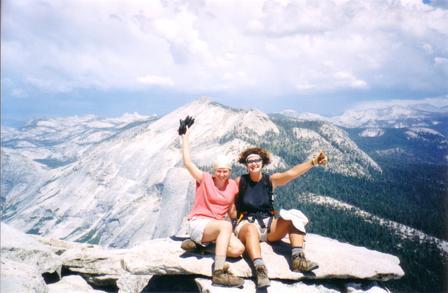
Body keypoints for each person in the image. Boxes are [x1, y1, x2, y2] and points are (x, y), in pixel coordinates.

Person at [233, 147, 328, 288]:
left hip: (269, 224)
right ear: (246, 164)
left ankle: (298, 259)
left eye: (257, 160)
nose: (253, 163)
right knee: (251, 229)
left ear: (262, 163)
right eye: (250, 161)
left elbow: (291, 173)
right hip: (247, 225)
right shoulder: (240, 181)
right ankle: (260, 270)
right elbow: (229, 202)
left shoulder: (270, 180)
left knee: (293, 216)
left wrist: (313, 162)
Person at [178, 116, 245, 288]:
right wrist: (185, 136)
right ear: (214, 171)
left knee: (238, 250)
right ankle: (218, 273)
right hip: (199, 223)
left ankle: (201, 247)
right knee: (225, 226)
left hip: (214, 229)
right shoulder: (204, 179)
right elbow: (187, 162)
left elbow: (232, 209)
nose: (222, 174)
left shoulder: (232, 186)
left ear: (230, 171)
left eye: (226, 171)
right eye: (219, 171)